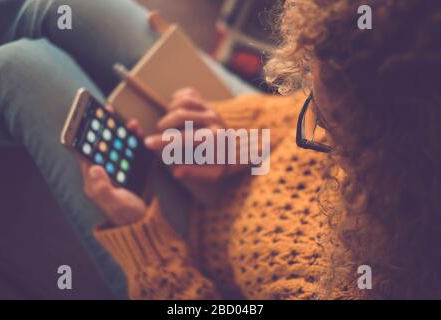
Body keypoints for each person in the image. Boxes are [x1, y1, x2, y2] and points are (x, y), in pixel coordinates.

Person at [85, 0, 441, 299]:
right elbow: (302, 111)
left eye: (328, 128)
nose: (310, 108)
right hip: (245, 152)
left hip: (175, 240)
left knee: (31, 67)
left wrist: (145, 244)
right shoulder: (403, 82)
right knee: (63, 9)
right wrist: (239, 133)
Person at [0, 0, 254, 298]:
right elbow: (308, 116)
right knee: (61, 7)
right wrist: (246, 137)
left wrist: (143, 238)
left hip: (200, 252)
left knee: (19, 68)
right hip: (274, 142)